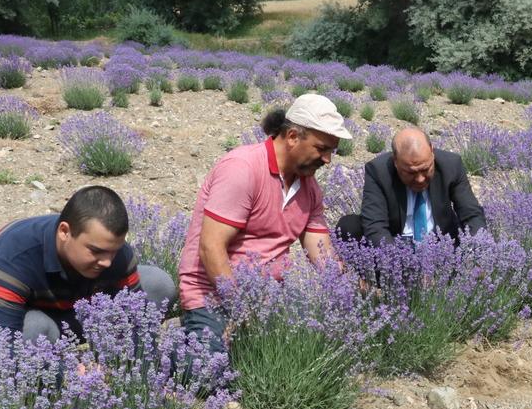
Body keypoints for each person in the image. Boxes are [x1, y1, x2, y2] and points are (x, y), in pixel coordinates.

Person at [176, 94, 350, 352]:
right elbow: (210, 247)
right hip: (212, 295)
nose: (327, 160)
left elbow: (321, 251)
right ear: (293, 136)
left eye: (331, 151)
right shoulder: (242, 169)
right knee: (209, 368)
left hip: (267, 300)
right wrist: (242, 309)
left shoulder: (309, 187)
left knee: (312, 353)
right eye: (321, 148)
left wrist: (347, 287)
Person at [0, 185, 175, 342]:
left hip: (75, 312)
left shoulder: (116, 254)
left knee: (158, 284)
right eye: (96, 251)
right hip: (0, 316)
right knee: (34, 329)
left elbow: (136, 316)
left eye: (114, 251)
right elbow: (2, 341)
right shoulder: (13, 256)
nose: (107, 262)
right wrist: (69, 375)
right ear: (64, 232)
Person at [335, 127, 486, 245]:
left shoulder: (451, 165)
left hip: (441, 244)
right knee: (350, 226)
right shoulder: (378, 171)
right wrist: (399, 264)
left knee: (474, 232)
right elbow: (375, 225)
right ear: (395, 161)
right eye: (411, 172)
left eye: (425, 169)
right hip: (396, 244)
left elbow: (471, 213)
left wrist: (477, 254)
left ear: (432, 151)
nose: (420, 179)